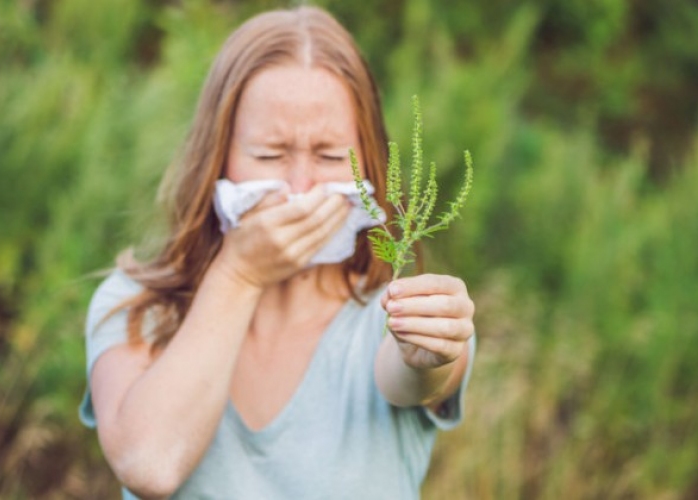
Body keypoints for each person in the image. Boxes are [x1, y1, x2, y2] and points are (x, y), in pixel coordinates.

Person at [79, 5, 476, 499]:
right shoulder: (136, 306)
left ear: (369, 162)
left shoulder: (392, 314)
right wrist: (239, 275)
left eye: (331, 156)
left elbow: (413, 375)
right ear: (218, 155)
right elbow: (150, 466)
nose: (301, 187)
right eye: (270, 154)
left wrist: (428, 356)